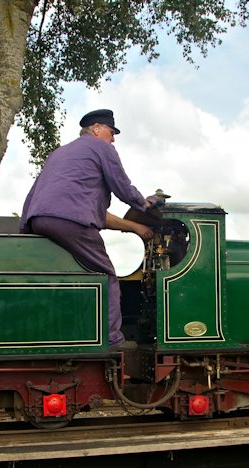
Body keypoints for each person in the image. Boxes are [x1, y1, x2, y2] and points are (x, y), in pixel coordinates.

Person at [20, 109, 155, 350]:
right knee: (106, 276)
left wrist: (25, 232)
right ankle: (113, 339)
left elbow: (34, 194)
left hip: (39, 219)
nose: (113, 139)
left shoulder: (59, 154)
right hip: (70, 222)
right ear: (96, 129)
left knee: (76, 273)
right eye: (111, 132)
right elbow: (122, 185)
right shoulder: (102, 148)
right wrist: (143, 204)